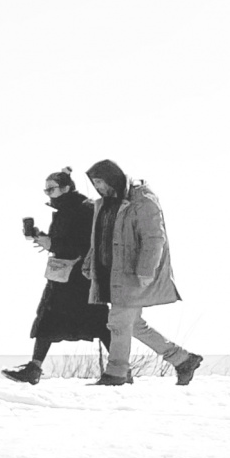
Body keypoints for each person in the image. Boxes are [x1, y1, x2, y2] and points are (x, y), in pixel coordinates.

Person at [84, 159, 205, 386]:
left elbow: (154, 238)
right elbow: (100, 238)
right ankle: (182, 360)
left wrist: (146, 270)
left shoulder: (142, 201)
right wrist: (90, 262)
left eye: (100, 182)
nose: (97, 187)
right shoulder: (105, 204)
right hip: (113, 274)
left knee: (119, 321)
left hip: (133, 274)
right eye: (95, 183)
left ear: (112, 178)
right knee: (134, 324)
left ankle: (116, 374)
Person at [0, 168, 107, 384]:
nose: (48, 193)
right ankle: (34, 367)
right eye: (46, 190)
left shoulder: (84, 209)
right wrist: (43, 238)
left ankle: (121, 368)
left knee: (98, 321)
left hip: (79, 277)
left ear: (66, 188)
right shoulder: (66, 210)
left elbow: (85, 245)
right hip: (64, 276)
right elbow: (66, 241)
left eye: (51, 189)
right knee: (51, 319)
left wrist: (53, 244)